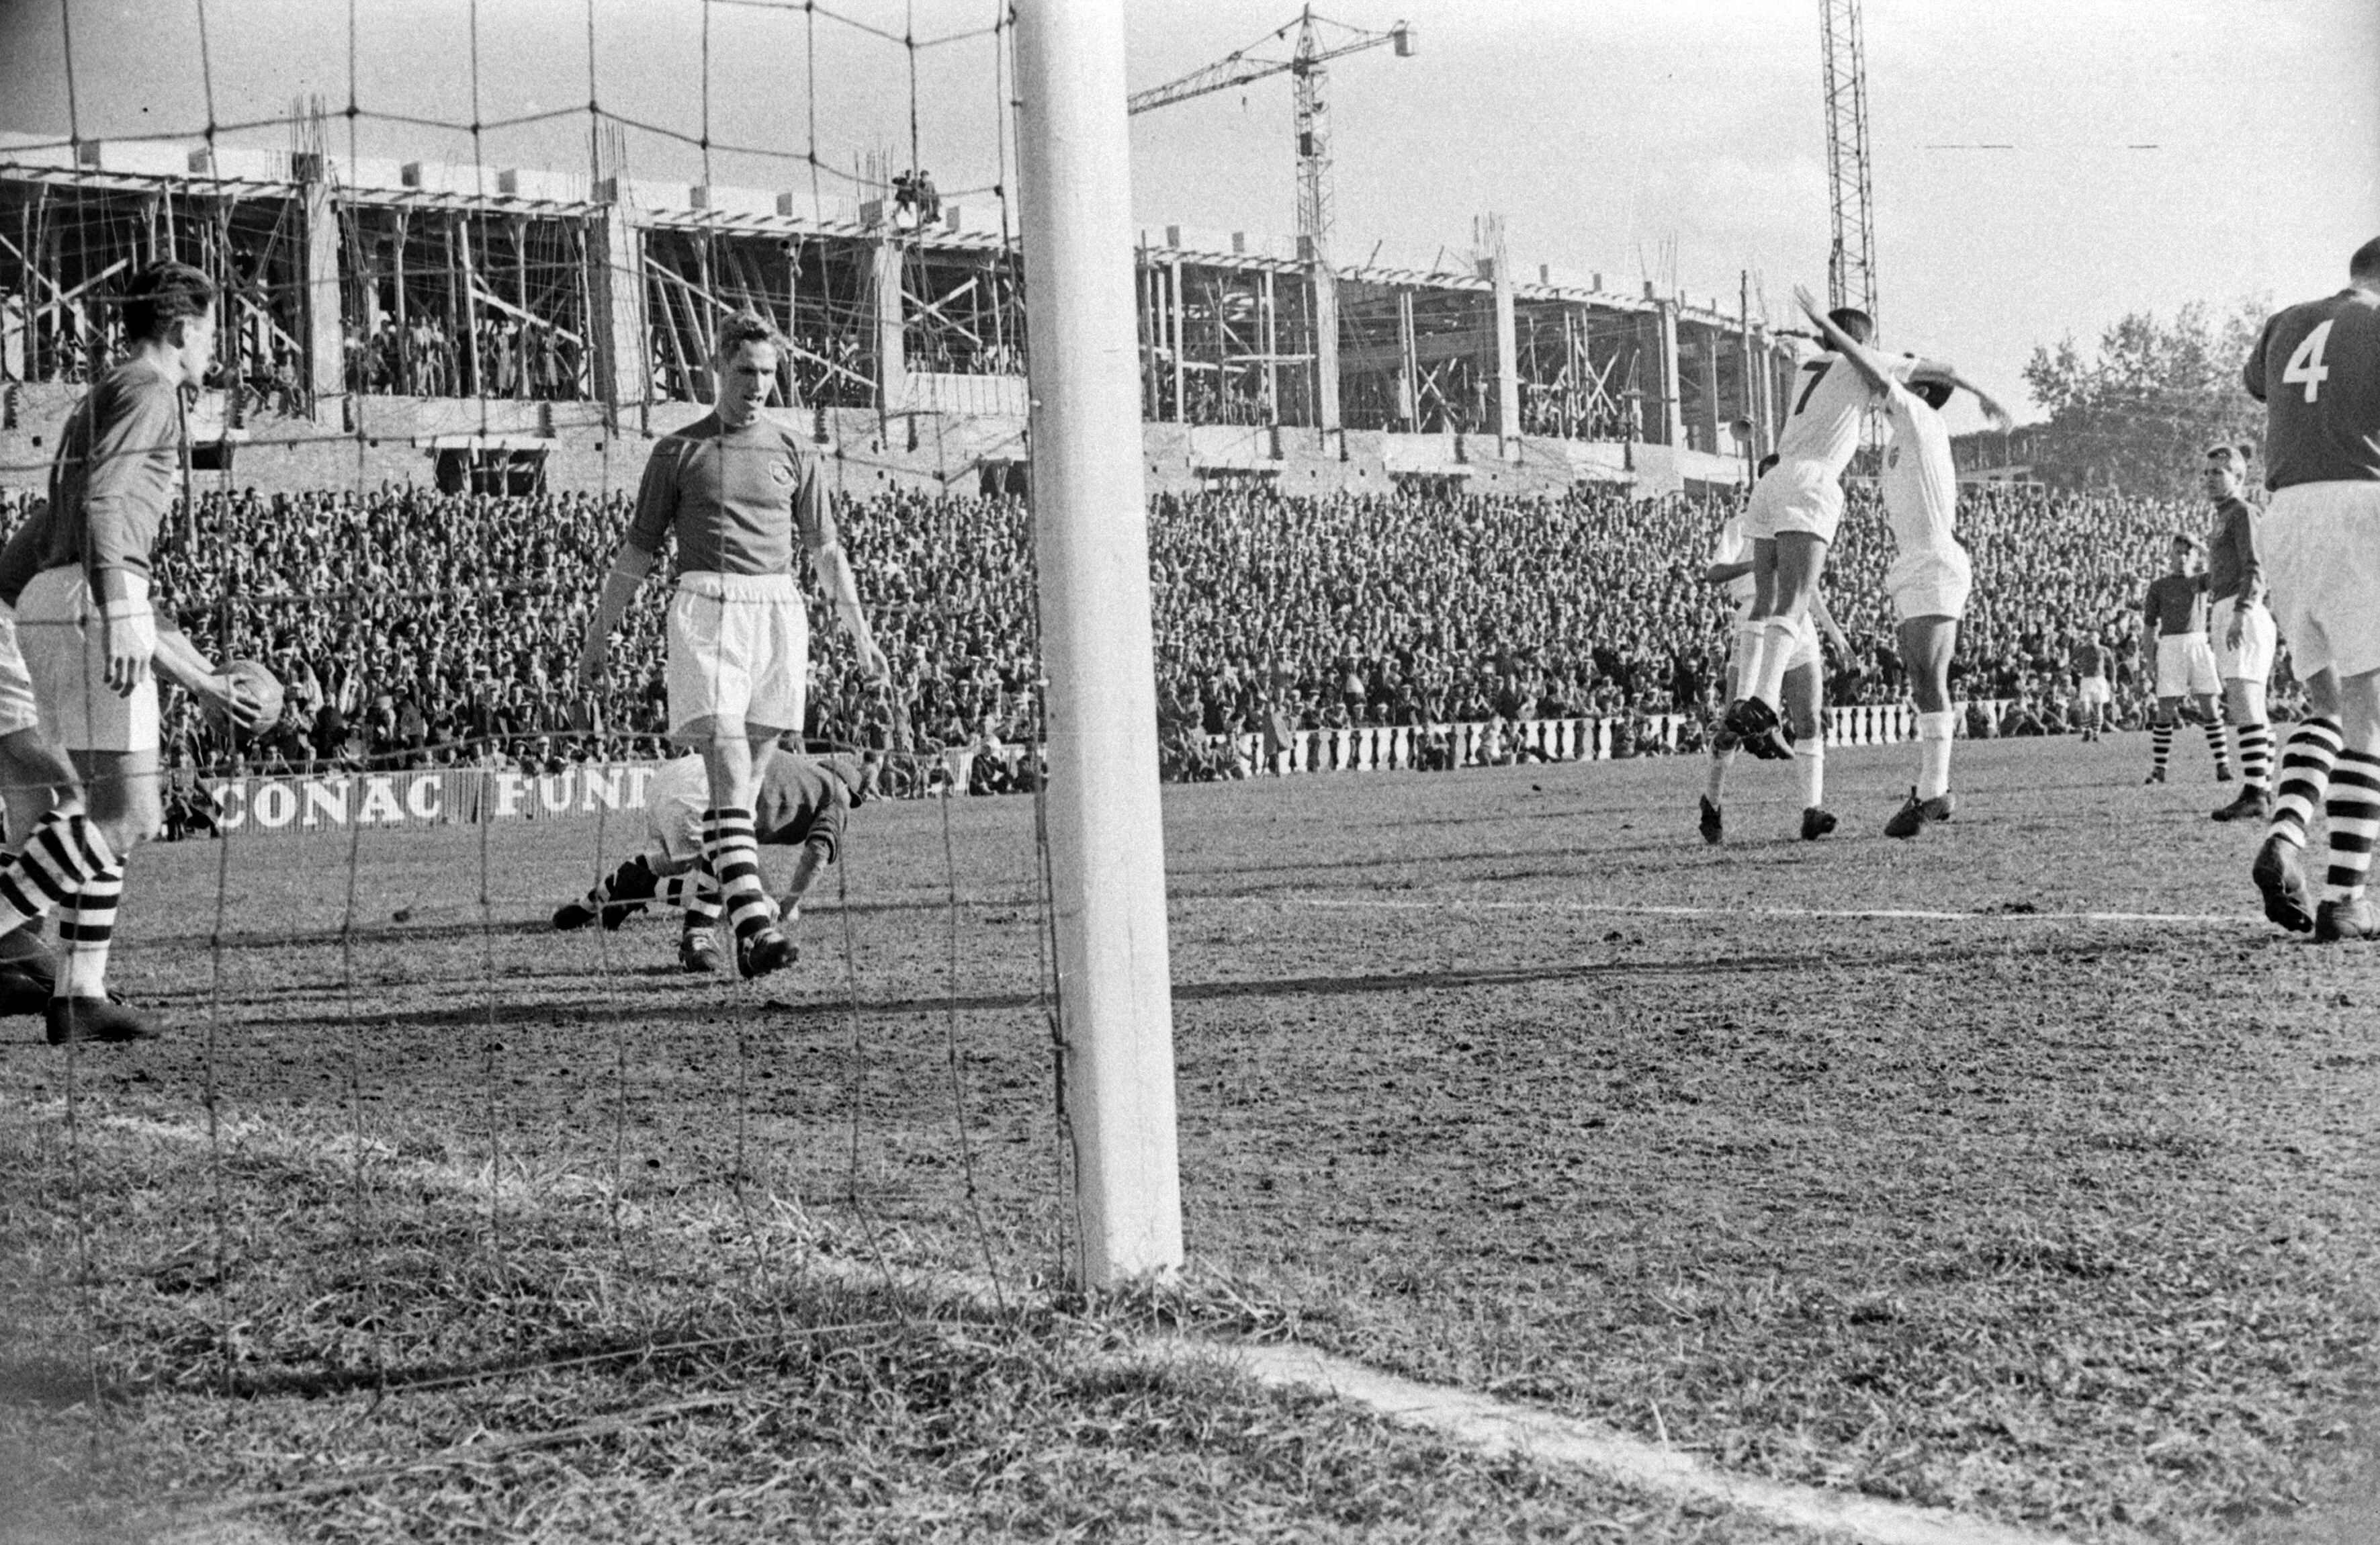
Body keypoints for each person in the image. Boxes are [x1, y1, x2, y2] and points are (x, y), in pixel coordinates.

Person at [578, 313, 889, 979]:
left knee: (740, 798)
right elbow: (637, 549)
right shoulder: (677, 451)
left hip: (778, 608)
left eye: (769, 375)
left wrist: (860, 633)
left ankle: (701, 931)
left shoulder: (796, 451)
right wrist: (601, 632)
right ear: (718, 367)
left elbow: (825, 549)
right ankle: (754, 921)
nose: (757, 387)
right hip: (708, 604)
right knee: (723, 749)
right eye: (746, 372)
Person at [0, 263, 264, 1042]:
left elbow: (74, 508)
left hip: (60, 595)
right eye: (212, 331)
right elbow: (108, 500)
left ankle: (79, 993)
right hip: (89, 596)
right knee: (131, 812)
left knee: (101, 801)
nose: (212, 348)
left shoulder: (106, 392)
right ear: (184, 329)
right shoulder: (153, 390)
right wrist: (121, 607)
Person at [1722, 285, 2000, 761]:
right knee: (1793, 597)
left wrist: (1825, 333)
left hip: (1773, 477)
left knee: (1766, 598)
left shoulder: (1812, 368)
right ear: (1863, 343)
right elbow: (1939, 370)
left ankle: (1747, 697)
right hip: (1812, 479)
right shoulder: (1865, 366)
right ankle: (1763, 704)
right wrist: (1987, 396)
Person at [1794, 298, 1994, 838]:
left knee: (1928, 675)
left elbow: (1874, 371)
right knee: (1918, 676)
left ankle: (1935, 792)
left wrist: (1832, 332)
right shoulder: (1900, 437)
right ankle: (1933, 790)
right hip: (1912, 560)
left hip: (1932, 557)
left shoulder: (1921, 417)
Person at [2245, 236, 2380, 941]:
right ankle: (2347, 898)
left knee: (2324, 701)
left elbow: (2262, 385)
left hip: (2286, 513)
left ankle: (2289, 833)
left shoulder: (2287, 319)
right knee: (2371, 711)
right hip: (2358, 502)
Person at [552, 744, 867, 972]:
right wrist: (789, 904)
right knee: (744, 898)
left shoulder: (791, 767)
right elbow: (817, 853)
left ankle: (594, 901)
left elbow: (742, 844)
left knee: (681, 864)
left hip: (675, 774)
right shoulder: (835, 794)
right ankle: (693, 931)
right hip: (703, 791)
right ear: (851, 792)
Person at [1698, 457, 1850, 844]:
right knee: (1733, 727)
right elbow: (1714, 572)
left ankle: (1811, 811)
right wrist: (1759, 562)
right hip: (1754, 621)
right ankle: (1711, 802)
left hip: (1797, 624)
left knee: (1810, 718)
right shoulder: (1741, 525)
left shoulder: (1801, 523)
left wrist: (1837, 637)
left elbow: (1808, 590)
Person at [2202, 443, 2278, 822]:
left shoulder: (2243, 512)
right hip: (2227, 606)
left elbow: (2255, 566)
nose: (2210, 479)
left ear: (2238, 477)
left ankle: (2255, 792)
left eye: (2218, 472)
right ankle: (2262, 786)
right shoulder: (2223, 516)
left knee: (2244, 703)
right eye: (2207, 473)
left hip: (2240, 610)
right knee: (2250, 705)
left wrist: (2241, 611)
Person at [2139, 534, 2230, 786]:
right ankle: (2159, 769)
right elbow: (2149, 627)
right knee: (2165, 709)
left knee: (2209, 705)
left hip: (2198, 643)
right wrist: (2149, 659)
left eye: (2187, 553)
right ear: (2170, 555)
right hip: (2170, 646)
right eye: (2178, 552)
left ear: (2194, 556)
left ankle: (2223, 765)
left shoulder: (2199, 581)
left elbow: (2221, 567)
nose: (2182, 558)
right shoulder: (2159, 586)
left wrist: (2200, 545)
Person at [2072, 632, 2113, 742]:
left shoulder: (2104, 650)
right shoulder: (2083, 649)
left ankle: (2096, 734)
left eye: (2094, 636)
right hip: (2086, 680)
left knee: (2098, 707)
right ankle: (2087, 730)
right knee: (2085, 708)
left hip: (2099, 680)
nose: (2092, 639)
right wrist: (2077, 668)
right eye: (2090, 637)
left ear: (2098, 638)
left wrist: (2114, 681)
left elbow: (2112, 665)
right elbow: (2072, 658)